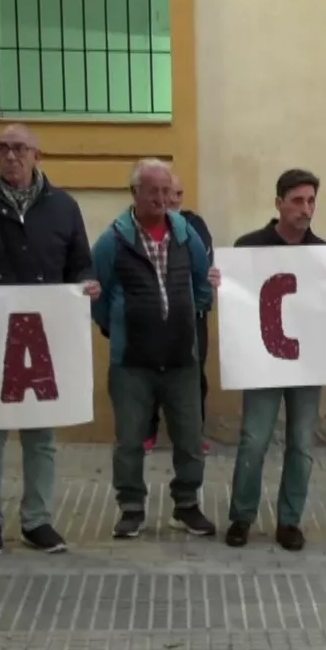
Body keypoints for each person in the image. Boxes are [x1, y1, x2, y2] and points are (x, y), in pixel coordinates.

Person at [0, 123, 101, 557]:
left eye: (20, 149)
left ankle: (38, 520)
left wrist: (87, 284)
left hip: (42, 342)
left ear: (37, 156)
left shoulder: (64, 207)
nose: (12, 156)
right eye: (4, 148)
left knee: (41, 437)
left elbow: (81, 265)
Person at [210, 168, 326, 552]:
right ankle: (242, 516)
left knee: (302, 443)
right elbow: (237, 305)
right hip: (262, 360)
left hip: (305, 364)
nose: (306, 209)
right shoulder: (249, 245)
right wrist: (223, 284)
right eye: (298, 200)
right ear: (279, 203)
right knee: (254, 439)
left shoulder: (324, 251)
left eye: (311, 201)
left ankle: (290, 520)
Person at [91, 158, 215, 541]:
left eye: (167, 191)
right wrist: (118, 328)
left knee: (190, 438)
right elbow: (97, 291)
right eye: (153, 191)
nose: (162, 198)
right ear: (135, 193)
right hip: (132, 363)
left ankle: (187, 505)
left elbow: (202, 280)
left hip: (182, 359)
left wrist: (189, 315)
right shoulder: (113, 239)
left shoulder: (185, 234)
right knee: (129, 440)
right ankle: (131, 507)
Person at [146, 174, 215, 455]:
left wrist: (199, 301)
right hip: (150, 313)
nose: (173, 199)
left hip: (191, 315)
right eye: (167, 193)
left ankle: (194, 434)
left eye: (178, 194)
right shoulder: (137, 224)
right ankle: (146, 433)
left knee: (194, 374)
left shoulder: (195, 225)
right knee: (147, 374)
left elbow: (205, 264)